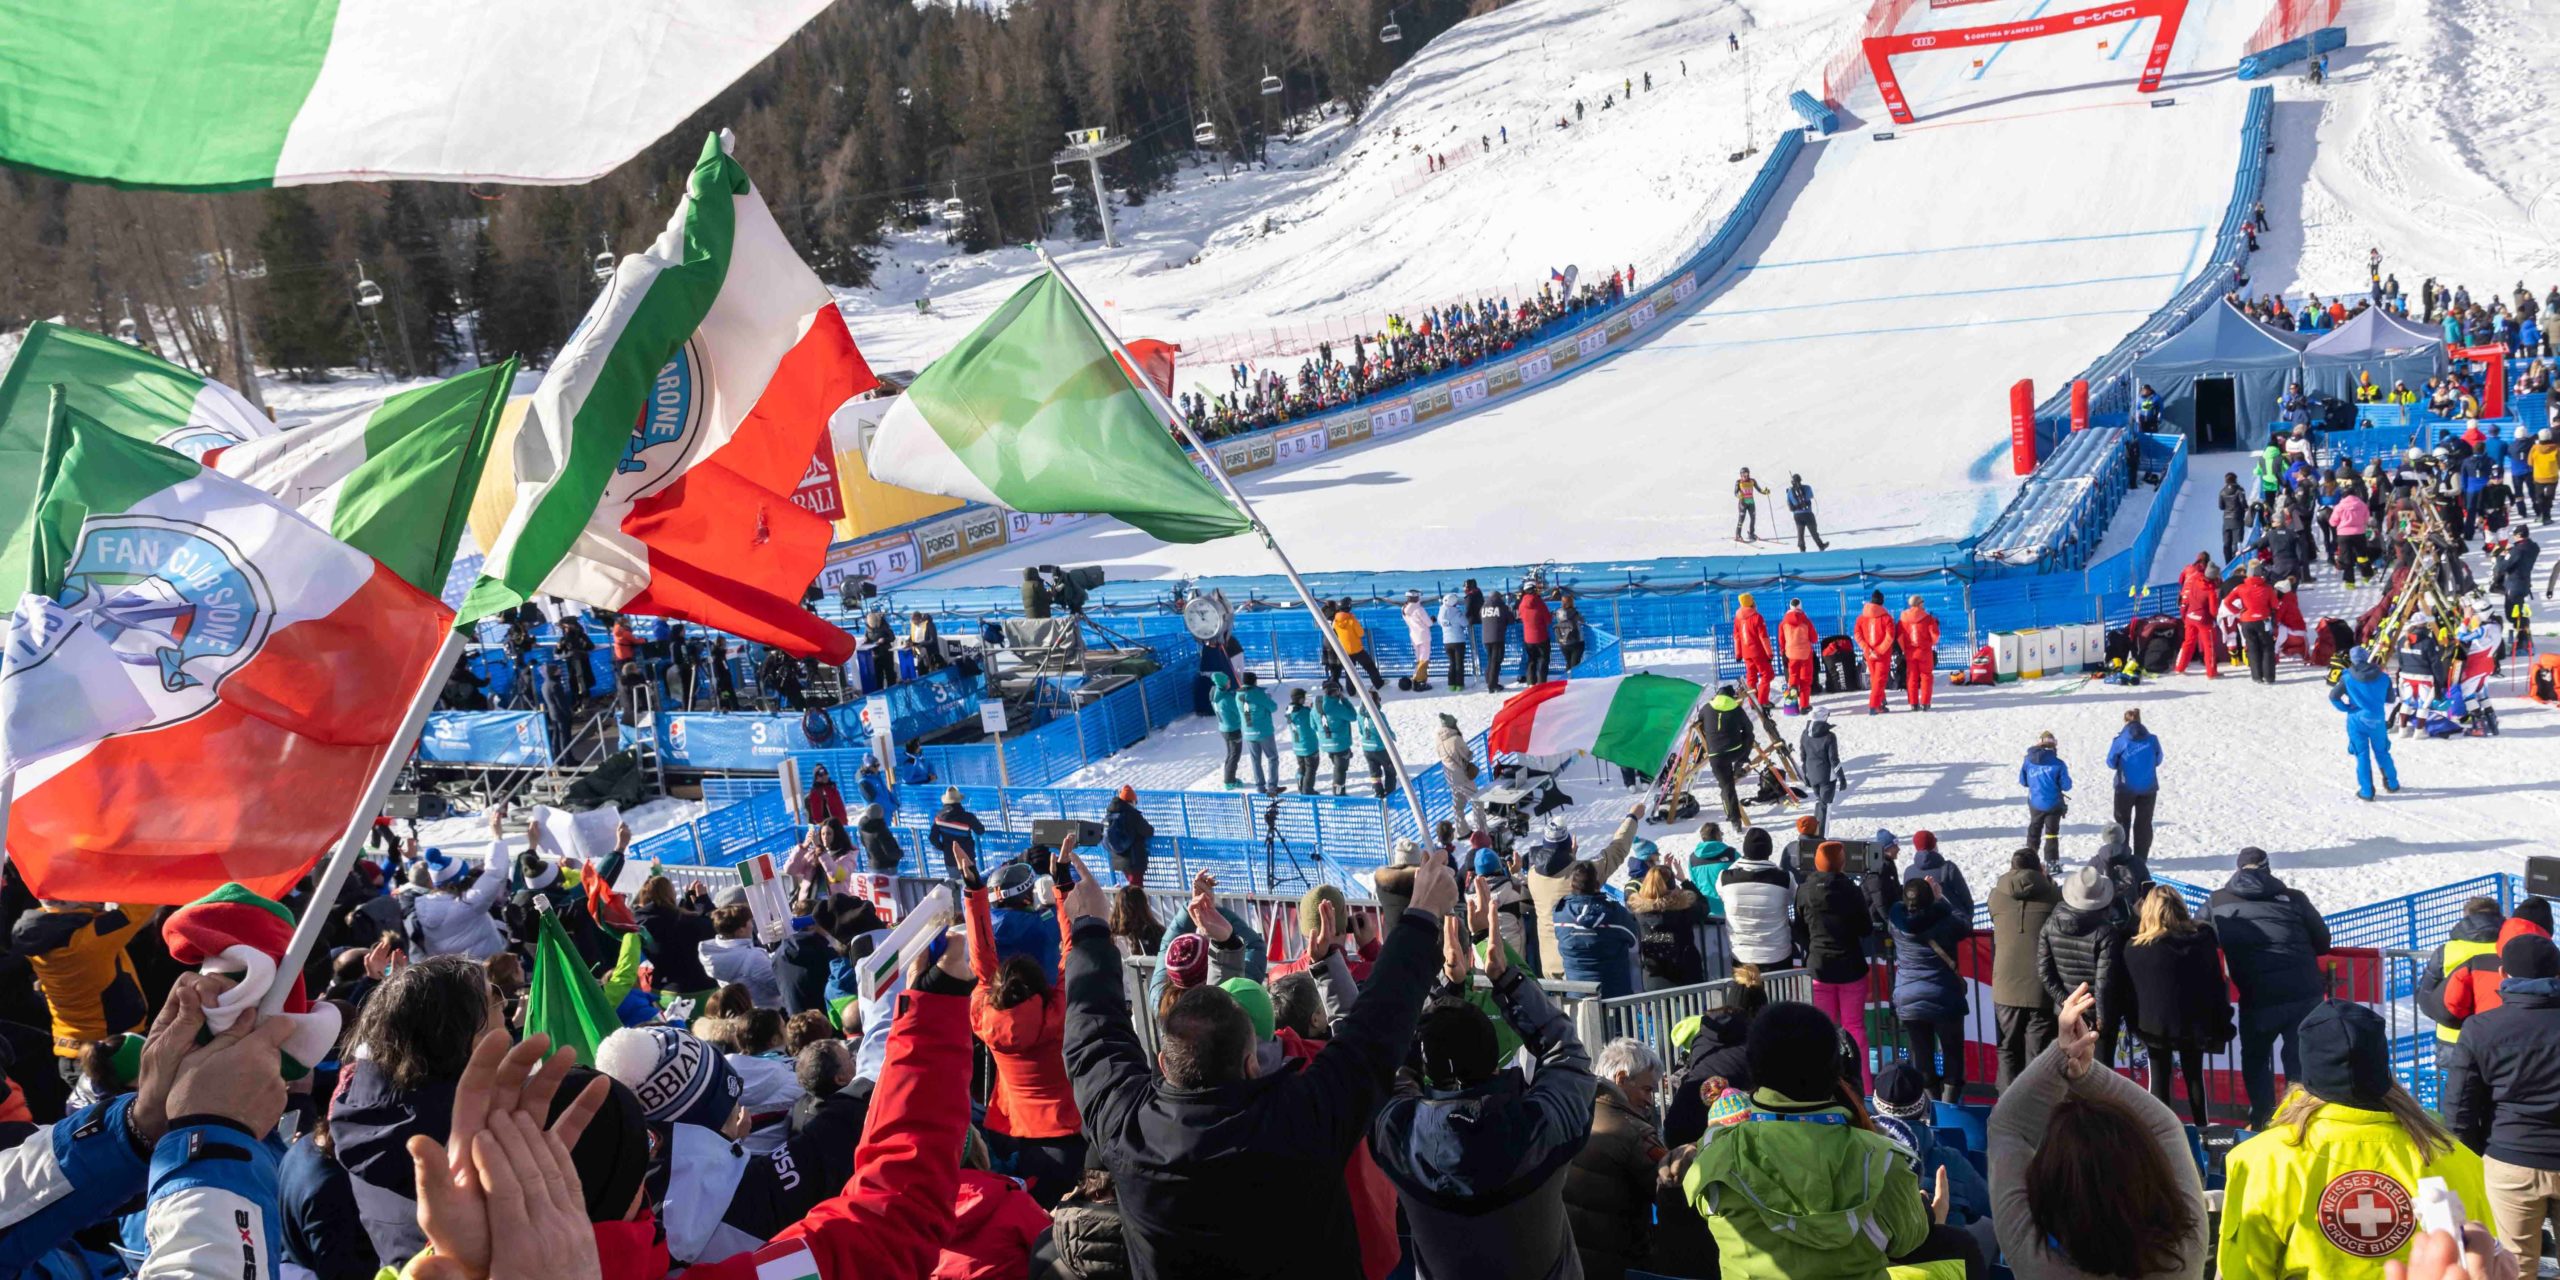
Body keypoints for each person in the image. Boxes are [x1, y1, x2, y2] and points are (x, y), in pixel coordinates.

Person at [1060, 841, 1457, 1278]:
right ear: (1253, 1064)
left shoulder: (1128, 1130)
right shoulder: (1300, 1120)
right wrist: (1419, 916)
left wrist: (1090, 928)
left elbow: (1092, 1033)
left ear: (1164, 1063)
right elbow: (1376, 1029)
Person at [1369, 904, 1595, 1280]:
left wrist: (1445, 993)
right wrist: (1507, 980)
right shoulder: (1543, 1127)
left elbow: (1387, 1071)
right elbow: (1567, 1052)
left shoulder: (1398, 1135)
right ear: (1496, 1060)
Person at [2220, 1001, 2491, 1276]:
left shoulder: (2260, 1160)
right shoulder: (2457, 1159)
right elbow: (2483, 1263)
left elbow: (2242, 1270)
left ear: (2307, 1071)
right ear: (2382, 1067)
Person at [1678, 1001, 1932, 1276]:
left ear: (1752, 1067)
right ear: (1836, 1070)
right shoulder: (1883, 1159)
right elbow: (1908, 1241)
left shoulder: (1717, 1155)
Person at [1989, 984, 2211, 1279]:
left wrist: (2062, 1055)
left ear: (2048, 1188)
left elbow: (2007, 1127)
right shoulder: (2185, 1252)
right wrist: (2085, 1073)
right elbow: (2164, 1126)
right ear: (2150, 1168)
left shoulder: (2039, 1266)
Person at [957, 842, 1085, 1208]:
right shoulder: (1055, 1012)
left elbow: (982, 962)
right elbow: (1071, 949)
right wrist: (1062, 885)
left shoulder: (983, 1013)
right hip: (1067, 1130)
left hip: (1011, 1129)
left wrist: (973, 892)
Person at [2449, 932, 2560, 1266]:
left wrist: (2477, 1155)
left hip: (2511, 1159)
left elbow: (2459, 1108)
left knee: (2513, 1265)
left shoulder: (2481, 1028)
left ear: (2503, 975)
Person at [2208, 846, 2334, 1129]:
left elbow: (2200, 934)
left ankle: (2263, 1119)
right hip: (2303, 992)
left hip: (2257, 994)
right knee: (2298, 1059)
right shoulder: (2294, 898)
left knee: (2255, 1058)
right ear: (2267, 868)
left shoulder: (2218, 900)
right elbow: (2323, 941)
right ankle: (2300, 1120)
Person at [2121, 886, 2234, 1129]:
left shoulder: (2135, 948)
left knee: (2159, 1078)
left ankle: (2161, 1132)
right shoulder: (2202, 941)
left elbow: (2130, 992)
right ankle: (2201, 1128)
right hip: (2194, 1021)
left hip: (2154, 1023)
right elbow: (2216, 982)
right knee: (2194, 1076)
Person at [12, 896, 148, 1083]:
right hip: (116, 1052)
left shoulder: (30, 933)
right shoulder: (92, 936)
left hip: (68, 1052)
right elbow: (144, 903)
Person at [1567, 1038, 1671, 1280]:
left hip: (1572, 1260)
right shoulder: (1633, 1132)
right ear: (1621, 1079)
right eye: (1647, 1089)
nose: (1650, 1100)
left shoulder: (1573, 1113)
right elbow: (1672, 1190)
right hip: (1620, 1263)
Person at [2418, 896, 2508, 1145]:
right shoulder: (2511, 948)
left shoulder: (2448, 951)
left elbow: (2426, 999)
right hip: (2501, 1043)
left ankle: (2462, 1162)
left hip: (2454, 1044)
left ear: (2466, 916)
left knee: (2458, 1108)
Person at [1796, 840, 1874, 1088]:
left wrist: (1813, 945)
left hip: (1820, 967)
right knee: (1854, 1027)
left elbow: (1798, 927)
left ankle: (1826, 1084)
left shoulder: (1805, 890)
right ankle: (1863, 1084)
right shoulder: (1851, 890)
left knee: (1824, 1029)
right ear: (1842, 862)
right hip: (1851, 967)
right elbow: (1865, 927)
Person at [2039, 865, 2131, 1071]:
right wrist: (2100, 1021)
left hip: (2067, 1013)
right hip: (2098, 1015)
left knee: (2071, 1069)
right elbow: (2104, 983)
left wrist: (2069, 1005)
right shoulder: (2106, 932)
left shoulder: (2050, 924)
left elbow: (2045, 973)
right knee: (2100, 1075)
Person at [1889, 877, 1972, 1103]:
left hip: (1908, 997)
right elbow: (1965, 923)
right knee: (1952, 1054)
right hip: (1944, 997)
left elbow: (1901, 910)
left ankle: (1931, 1107)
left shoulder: (1896, 922)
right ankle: (1949, 1107)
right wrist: (1940, 898)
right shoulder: (1946, 921)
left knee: (1922, 1056)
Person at [1988, 849, 2061, 1088]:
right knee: (2038, 1053)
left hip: (2005, 986)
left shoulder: (1996, 896)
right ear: (2040, 868)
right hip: (2040, 984)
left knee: (2007, 1049)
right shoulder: (2052, 894)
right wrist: (2047, 880)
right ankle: (2034, 1106)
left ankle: (2006, 1105)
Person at [1555, 860, 1645, 997]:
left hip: (1578, 996)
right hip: (1615, 996)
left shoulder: (1560, 914)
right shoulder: (1616, 914)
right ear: (1597, 883)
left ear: (1572, 884)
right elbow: (1634, 941)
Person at [1717, 827, 1795, 971]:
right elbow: (1794, 899)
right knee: (1779, 993)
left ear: (1745, 851)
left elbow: (1722, 894)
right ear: (1769, 851)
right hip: (1778, 954)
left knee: (1745, 994)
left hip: (1742, 956)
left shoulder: (1725, 878)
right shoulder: (1784, 878)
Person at [1629, 861, 1709, 991]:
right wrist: (1684, 881)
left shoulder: (1639, 910)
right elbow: (1704, 907)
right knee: (1693, 1011)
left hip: (1654, 975)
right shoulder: (1684, 908)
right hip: (1686, 973)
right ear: (1672, 886)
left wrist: (1658, 877)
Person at [2103, 708, 2163, 863]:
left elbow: (2110, 762)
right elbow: (2158, 759)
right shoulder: (2152, 739)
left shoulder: (2121, 740)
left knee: (2123, 822)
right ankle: (2141, 858)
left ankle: (2122, 855)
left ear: (2125, 722)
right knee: (2144, 823)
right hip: (2148, 788)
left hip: (2125, 788)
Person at [699, 904, 783, 1007]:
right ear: (741, 930)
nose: (752, 925)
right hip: (768, 1013)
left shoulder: (717, 953)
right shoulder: (753, 958)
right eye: (749, 921)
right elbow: (781, 986)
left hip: (742, 1011)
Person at [1701, 684, 1755, 828]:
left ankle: (1734, 819)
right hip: (1735, 750)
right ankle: (1741, 763)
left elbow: (1700, 723)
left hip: (1716, 754)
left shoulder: (1707, 708)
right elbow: (1749, 728)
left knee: (1727, 786)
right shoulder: (1736, 709)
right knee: (1749, 736)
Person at [2019, 730, 2073, 871]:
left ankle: (2029, 861)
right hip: (2053, 804)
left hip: (2035, 802)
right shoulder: (2058, 764)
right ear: (2054, 746)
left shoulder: (2028, 760)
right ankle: (2052, 863)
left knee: (2034, 828)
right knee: (2051, 833)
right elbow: (2066, 786)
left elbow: (2023, 781)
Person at [1799, 705, 1848, 833]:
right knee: (1826, 807)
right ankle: (1821, 836)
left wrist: (1805, 775)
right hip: (1827, 776)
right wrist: (1842, 778)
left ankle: (1814, 831)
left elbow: (1803, 757)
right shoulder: (1830, 736)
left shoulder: (1805, 734)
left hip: (1812, 774)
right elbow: (1834, 760)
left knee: (1819, 803)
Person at [2230, 563, 2279, 684]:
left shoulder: (2241, 588)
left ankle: (2256, 676)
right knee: (2267, 647)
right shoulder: (2268, 588)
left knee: (2252, 648)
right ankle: (2269, 677)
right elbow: (2275, 605)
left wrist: (2237, 611)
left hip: (2246, 621)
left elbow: (2227, 601)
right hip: (2263, 620)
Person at [2174, 555, 2222, 678]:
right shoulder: (2211, 591)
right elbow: (2213, 610)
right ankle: (2211, 672)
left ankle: (2180, 667)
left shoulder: (2194, 581)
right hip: (2204, 620)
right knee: (2209, 645)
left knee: (2188, 642)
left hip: (2190, 616)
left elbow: (2186, 594)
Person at [1853, 590, 1898, 715]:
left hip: (1869, 654)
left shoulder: (1861, 618)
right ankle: (1875, 705)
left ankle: (1881, 700)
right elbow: (1890, 637)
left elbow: (1857, 635)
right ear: (1882, 602)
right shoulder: (1887, 618)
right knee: (1880, 679)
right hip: (1882, 654)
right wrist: (1879, 651)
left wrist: (1867, 649)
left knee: (1875, 678)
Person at [929, 787, 988, 879]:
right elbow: (980, 831)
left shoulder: (939, 818)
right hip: (967, 858)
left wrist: (943, 847)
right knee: (972, 884)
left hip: (950, 858)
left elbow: (932, 838)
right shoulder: (968, 817)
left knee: (956, 886)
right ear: (959, 801)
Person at [1237, 671, 1280, 795]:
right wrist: (1267, 698)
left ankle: (1260, 786)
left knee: (1255, 760)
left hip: (1248, 731)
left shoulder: (1238, 694)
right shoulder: (1258, 694)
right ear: (1254, 681)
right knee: (1272, 758)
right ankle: (1272, 786)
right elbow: (1273, 707)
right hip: (1263, 731)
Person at [1103, 785, 1154, 886]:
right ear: (1132, 801)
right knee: (1136, 891)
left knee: (1131, 888)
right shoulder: (1133, 815)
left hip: (1118, 859)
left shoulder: (1110, 815)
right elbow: (1148, 831)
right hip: (1133, 861)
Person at [1732, 592, 1776, 706]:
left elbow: (1736, 637)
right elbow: (1763, 637)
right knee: (1767, 675)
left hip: (1746, 653)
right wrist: (1769, 653)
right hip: (1758, 652)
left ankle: (1753, 701)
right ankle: (1762, 701)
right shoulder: (1757, 617)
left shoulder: (1737, 618)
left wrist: (1738, 654)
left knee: (1751, 678)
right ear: (1751, 603)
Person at [1333, 598, 1386, 692]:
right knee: (1370, 667)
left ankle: (1351, 691)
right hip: (1357, 649)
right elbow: (1361, 633)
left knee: (1350, 672)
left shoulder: (1335, 621)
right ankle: (1378, 684)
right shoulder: (1351, 620)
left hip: (1345, 650)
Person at [1898, 596, 1939, 711]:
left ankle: (1913, 703)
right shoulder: (1928, 618)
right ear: (1919, 604)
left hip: (1910, 653)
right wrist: (1930, 644)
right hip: (1925, 652)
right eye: (1922, 602)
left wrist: (1905, 649)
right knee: (1926, 677)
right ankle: (1925, 703)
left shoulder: (1903, 618)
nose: (1924, 604)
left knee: (1912, 677)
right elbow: (1935, 636)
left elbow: (1900, 637)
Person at [1779, 598, 1819, 714]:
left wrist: (1783, 653)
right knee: (1805, 681)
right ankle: (1804, 706)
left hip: (1791, 654)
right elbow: (1814, 639)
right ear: (1801, 607)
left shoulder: (1783, 623)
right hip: (1805, 654)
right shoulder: (1806, 621)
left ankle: (1792, 695)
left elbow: (1781, 640)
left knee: (1793, 676)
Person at [1317, 681, 1357, 796]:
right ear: (1336, 692)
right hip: (1340, 744)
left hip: (1326, 743)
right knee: (1340, 770)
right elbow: (1353, 716)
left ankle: (1339, 791)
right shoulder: (1336, 707)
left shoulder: (1317, 705)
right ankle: (1338, 795)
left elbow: (1313, 725)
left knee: (1337, 767)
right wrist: (1345, 701)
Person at [1209, 670, 1244, 789]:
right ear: (1224, 683)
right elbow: (1240, 712)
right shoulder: (1227, 700)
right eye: (1228, 680)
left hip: (1224, 727)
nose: (1230, 681)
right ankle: (1229, 780)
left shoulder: (1215, 695)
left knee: (1230, 754)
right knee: (1234, 756)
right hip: (1232, 729)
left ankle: (1229, 778)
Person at [1285, 689, 1322, 798]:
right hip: (1309, 745)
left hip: (1297, 745)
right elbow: (1316, 721)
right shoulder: (1305, 712)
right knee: (1311, 769)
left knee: (1302, 767)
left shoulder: (1288, 710)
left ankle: (1301, 786)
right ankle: (1307, 790)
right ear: (1300, 699)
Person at [1784, 473, 1830, 552]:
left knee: (1800, 533)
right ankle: (1821, 545)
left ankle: (1802, 548)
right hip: (1808, 513)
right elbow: (1811, 497)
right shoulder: (1807, 488)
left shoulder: (1789, 492)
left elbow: (1790, 506)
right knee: (1813, 531)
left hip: (1797, 515)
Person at [1518, 585, 1554, 685]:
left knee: (1531, 660)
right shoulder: (1539, 603)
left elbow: (1521, 617)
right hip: (1541, 636)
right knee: (1543, 660)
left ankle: (1531, 683)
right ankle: (1542, 682)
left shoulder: (1522, 604)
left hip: (1528, 638)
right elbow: (1548, 619)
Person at [1401, 589, 1436, 691]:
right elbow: (1429, 623)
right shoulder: (1419, 609)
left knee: (1419, 659)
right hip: (1423, 635)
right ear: (1415, 597)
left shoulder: (1403, 608)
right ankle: (1419, 682)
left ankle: (1418, 680)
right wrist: (1432, 620)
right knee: (1424, 659)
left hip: (1414, 636)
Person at [1437, 590, 1469, 689]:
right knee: (1459, 664)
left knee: (1452, 663)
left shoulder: (1441, 612)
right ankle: (1459, 684)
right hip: (1458, 640)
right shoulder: (1457, 613)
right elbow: (1465, 623)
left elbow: (1439, 623)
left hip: (1447, 641)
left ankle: (1451, 685)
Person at [1481, 590, 1512, 693]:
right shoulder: (1501, 607)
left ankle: (1488, 679)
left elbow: (1481, 618)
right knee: (1496, 661)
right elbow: (1510, 619)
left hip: (1486, 638)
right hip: (1497, 637)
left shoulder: (1483, 607)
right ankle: (1492, 684)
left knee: (1490, 659)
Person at [2220, 471, 2251, 562]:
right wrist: (2246, 508)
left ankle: (2227, 561)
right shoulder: (2240, 490)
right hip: (2237, 518)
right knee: (2236, 542)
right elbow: (2243, 503)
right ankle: (2235, 561)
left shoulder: (2222, 491)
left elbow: (2221, 506)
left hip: (2226, 519)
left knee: (2226, 542)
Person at [1734, 467, 1770, 542]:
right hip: (1743, 503)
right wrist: (1738, 495)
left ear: (1748, 474)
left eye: (1746, 473)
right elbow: (1735, 492)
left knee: (1753, 519)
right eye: (1743, 474)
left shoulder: (1752, 481)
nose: (1744, 475)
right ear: (1740, 475)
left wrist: (1765, 492)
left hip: (1751, 503)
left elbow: (1759, 489)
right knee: (1741, 520)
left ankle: (1751, 533)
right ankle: (1738, 535)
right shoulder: (1738, 482)